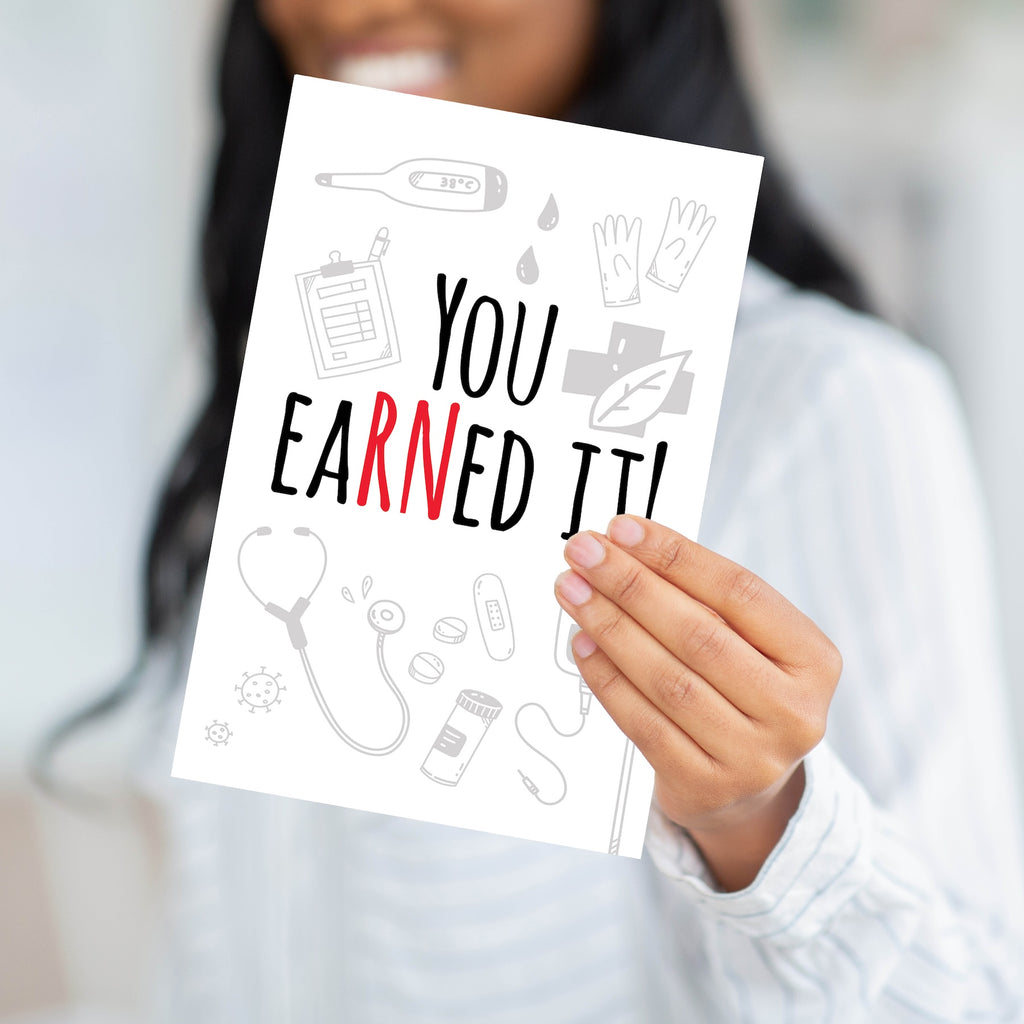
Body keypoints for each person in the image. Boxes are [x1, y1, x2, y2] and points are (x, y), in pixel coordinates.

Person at [84, 0, 1024, 1019]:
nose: (343, 8)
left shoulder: (821, 401)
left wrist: (763, 829)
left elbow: (968, 998)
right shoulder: (262, 393)